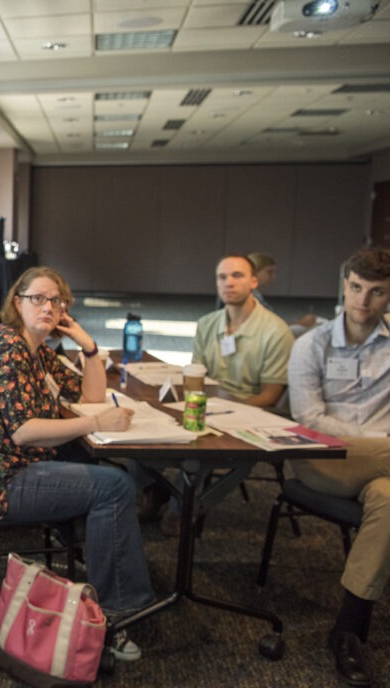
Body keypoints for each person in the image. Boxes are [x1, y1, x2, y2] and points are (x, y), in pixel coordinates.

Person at [0, 267, 154, 660]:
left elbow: (90, 395)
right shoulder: (7, 349)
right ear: (17, 302)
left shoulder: (37, 350)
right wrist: (97, 423)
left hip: (18, 465)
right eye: (38, 298)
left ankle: (98, 562)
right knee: (114, 486)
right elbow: (24, 431)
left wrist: (87, 345)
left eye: (56, 301)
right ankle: (117, 614)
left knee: (111, 472)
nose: (48, 306)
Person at [287, 247, 390, 688]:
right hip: (321, 457)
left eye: (377, 292)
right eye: (355, 288)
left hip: (382, 466)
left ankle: (347, 630)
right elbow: (309, 420)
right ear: (344, 286)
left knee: (388, 500)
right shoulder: (312, 344)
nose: (363, 301)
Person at [139, 254, 295, 533]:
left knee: (197, 448)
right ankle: (158, 489)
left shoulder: (275, 331)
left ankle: (180, 508)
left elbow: (270, 397)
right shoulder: (208, 323)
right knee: (137, 426)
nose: (229, 283)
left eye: (237, 276)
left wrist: (222, 408)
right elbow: (196, 376)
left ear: (254, 281)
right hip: (205, 403)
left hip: (248, 411)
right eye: (222, 277)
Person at [246, 252, 319, 336]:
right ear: (255, 272)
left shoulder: (255, 294)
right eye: (269, 272)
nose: (273, 277)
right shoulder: (251, 296)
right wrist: (300, 323)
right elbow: (270, 329)